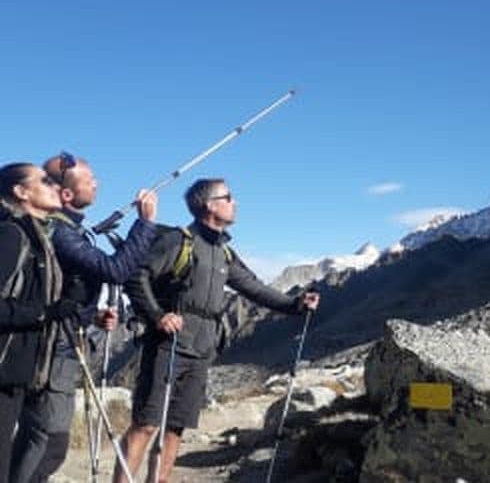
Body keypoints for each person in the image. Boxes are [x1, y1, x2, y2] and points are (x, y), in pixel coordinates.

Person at [114, 178, 319, 483]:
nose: (235, 202)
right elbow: (135, 275)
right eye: (229, 197)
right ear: (209, 205)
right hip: (168, 344)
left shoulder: (223, 251)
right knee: (146, 424)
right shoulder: (179, 241)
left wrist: (295, 304)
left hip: (202, 349)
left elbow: (253, 287)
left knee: (175, 428)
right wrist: (157, 315)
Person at [10, 152, 159, 483]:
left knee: (38, 438)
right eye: (90, 180)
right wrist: (145, 223)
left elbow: (66, 286)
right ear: (67, 194)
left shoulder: (66, 230)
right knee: (48, 440)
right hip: (54, 345)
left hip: (61, 337)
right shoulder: (61, 232)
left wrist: (91, 317)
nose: (97, 183)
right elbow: (115, 269)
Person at [0, 163, 81, 483]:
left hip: (14, 373)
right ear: (20, 192)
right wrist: (45, 312)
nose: (55, 185)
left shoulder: (34, 237)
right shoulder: (10, 235)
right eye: (46, 181)